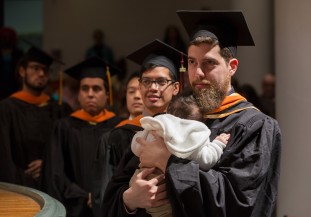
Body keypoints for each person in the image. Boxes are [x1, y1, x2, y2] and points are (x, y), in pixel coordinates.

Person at [102, 11, 282, 217]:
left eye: (209, 63)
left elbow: (239, 203)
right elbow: (115, 191)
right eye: (192, 62)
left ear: (232, 67)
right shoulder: (173, 116)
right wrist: (129, 201)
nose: (197, 73)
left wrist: (167, 161)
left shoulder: (254, 125)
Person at [99, 39, 186, 216]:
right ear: (139, 86)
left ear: (176, 88)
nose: (153, 88)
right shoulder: (124, 135)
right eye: (147, 81)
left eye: (162, 82)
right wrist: (129, 200)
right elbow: (108, 196)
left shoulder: (187, 131)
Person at [42, 56, 123, 217]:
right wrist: (83, 196)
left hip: (111, 206)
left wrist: (103, 194)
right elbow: (55, 173)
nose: (90, 94)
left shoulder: (119, 127)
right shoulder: (64, 127)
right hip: (75, 208)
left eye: (96, 89)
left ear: (107, 94)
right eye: (84, 88)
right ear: (78, 94)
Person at [130, 93, 230, 217]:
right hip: (163, 193)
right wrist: (218, 144)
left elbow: (136, 147)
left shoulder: (157, 125)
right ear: (201, 120)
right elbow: (207, 160)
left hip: (140, 179)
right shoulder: (193, 135)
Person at [0, 43, 72, 189]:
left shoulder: (59, 109)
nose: (41, 73)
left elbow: (69, 149)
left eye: (45, 70)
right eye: (35, 68)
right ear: (22, 71)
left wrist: (48, 164)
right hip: (19, 186)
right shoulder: (6, 108)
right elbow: (3, 155)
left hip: (53, 185)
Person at [0, 27, 24, 100]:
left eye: (8, 38)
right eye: (4, 38)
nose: (6, 40)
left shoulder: (19, 54)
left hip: (16, 92)